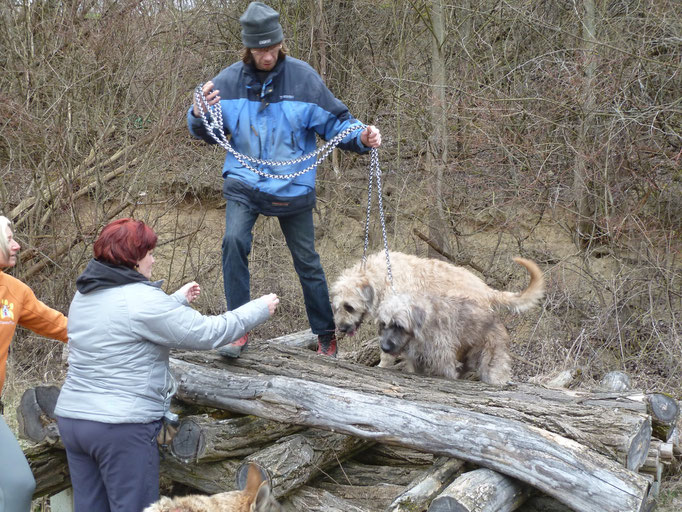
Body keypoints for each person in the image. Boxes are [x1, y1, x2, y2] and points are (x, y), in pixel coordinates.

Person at [188, 1, 382, 358]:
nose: (268, 54)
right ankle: (238, 329)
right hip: (245, 181)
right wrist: (198, 114)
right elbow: (205, 129)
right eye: (261, 48)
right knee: (233, 242)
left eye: (273, 47)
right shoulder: (227, 81)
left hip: (293, 186)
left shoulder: (304, 79)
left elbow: (338, 123)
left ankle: (326, 335)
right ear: (248, 46)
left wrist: (362, 138)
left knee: (307, 260)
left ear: (281, 42)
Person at [53, 218, 279, 512]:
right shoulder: (142, 300)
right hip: (119, 428)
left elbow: (126, 321)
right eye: (149, 253)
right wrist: (258, 309)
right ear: (132, 259)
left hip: (74, 421)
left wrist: (175, 300)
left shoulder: (85, 293)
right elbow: (209, 333)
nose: (154, 259)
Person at [0, 215, 68, 512]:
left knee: (19, 485)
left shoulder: (14, 292)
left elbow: (61, 325)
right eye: (9, 238)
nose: (16, 245)